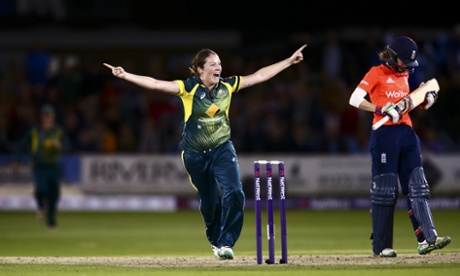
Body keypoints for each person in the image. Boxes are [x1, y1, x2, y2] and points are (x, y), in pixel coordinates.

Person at [104, 44, 307, 260]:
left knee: (235, 192)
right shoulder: (188, 88)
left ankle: (227, 242)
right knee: (210, 202)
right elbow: (155, 84)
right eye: (212, 64)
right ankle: (215, 240)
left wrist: (288, 61)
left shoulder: (228, 86)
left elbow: (259, 76)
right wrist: (126, 75)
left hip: (222, 148)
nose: (218, 67)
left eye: (219, 63)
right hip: (194, 154)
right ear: (200, 70)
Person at [348, 36, 451, 257]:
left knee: (418, 187)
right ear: (392, 56)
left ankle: (427, 239)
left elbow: (411, 102)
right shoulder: (376, 72)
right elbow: (354, 99)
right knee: (385, 191)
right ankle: (382, 246)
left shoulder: (404, 74)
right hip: (384, 134)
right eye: (404, 61)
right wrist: (380, 108)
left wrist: (427, 99)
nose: (407, 66)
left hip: (406, 133)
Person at [14, 104, 71, 230]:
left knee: (54, 194)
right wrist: (17, 159)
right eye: (46, 116)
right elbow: (23, 144)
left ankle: (51, 221)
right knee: (41, 190)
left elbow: (67, 146)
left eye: (50, 116)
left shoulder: (57, 130)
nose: (48, 118)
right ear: (42, 117)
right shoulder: (35, 130)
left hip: (53, 166)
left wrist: (60, 147)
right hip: (39, 165)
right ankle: (40, 206)